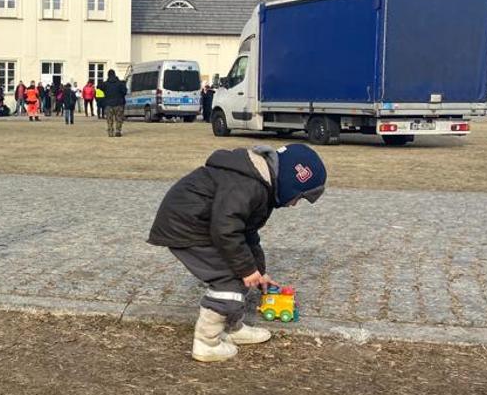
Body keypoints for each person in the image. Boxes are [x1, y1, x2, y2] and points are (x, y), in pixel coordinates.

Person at [148, 144, 327, 362]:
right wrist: (246, 269)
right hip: (186, 227)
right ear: (292, 181)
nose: (294, 205)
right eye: (298, 198)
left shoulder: (258, 184)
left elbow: (247, 232)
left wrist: (258, 271)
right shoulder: (248, 185)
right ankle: (207, 342)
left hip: (204, 225)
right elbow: (226, 229)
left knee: (244, 274)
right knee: (229, 281)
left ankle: (232, 328)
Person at [102, 69, 127, 137]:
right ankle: (118, 131)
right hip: (119, 103)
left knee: (109, 119)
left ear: (108, 75)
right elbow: (125, 92)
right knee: (119, 118)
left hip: (108, 104)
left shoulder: (105, 84)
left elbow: (99, 86)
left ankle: (110, 132)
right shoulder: (120, 83)